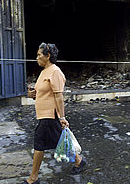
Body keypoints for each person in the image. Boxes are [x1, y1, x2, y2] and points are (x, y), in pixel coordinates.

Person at [24, 43, 87, 184]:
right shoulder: (44, 71)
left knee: (39, 144)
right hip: (43, 115)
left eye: (39, 55)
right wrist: (32, 94)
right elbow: (44, 92)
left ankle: (33, 178)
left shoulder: (55, 72)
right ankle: (79, 161)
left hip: (50, 115)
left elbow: (59, 96)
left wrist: (62, 117)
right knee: (59, 139)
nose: (37, 58)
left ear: (48, 56)